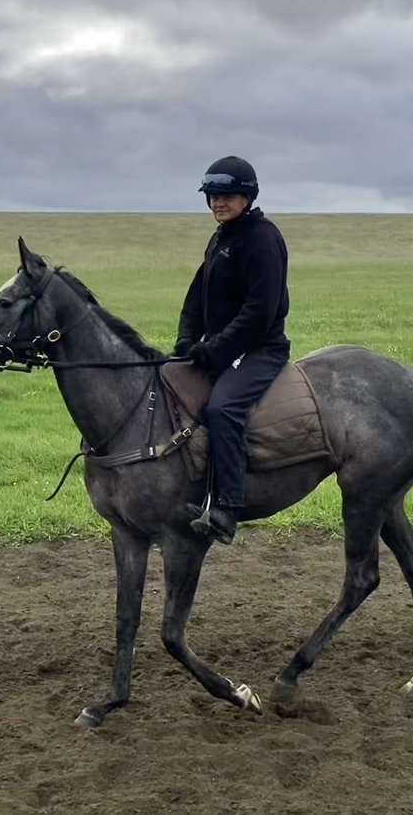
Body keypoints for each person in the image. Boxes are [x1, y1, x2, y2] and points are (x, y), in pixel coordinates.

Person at [173, 156, 290, 544]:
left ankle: (227, 507)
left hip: (261, 350)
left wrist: (216, 352)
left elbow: (260, 313)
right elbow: (197, 295)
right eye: (212, 196)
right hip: (222, 348)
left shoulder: (262, 240)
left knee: (222, 408)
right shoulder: (222, 236)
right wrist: (186, 342)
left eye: (226, 195)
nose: (217, 203)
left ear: (248, 196)